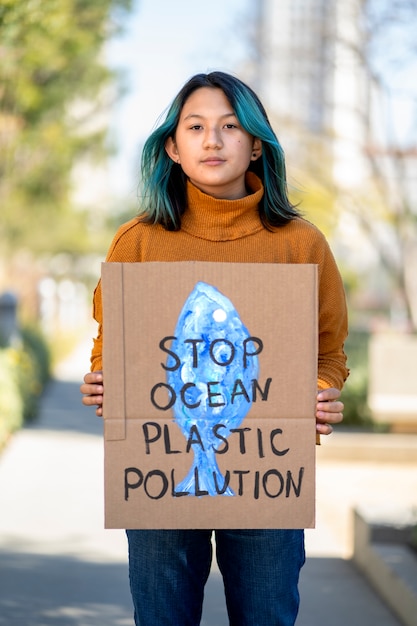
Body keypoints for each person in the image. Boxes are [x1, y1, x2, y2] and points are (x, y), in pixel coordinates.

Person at [80, 71, 349, 626]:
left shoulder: (301, 244)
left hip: (267, 478)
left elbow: (328, 353)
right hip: (160, 476)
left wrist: (321, 393)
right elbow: (112, 343)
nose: (213, 140)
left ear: (256, 143)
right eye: (196, 127)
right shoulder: (138, 240)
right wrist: (104, 380)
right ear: (173, 148)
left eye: (230, 126)